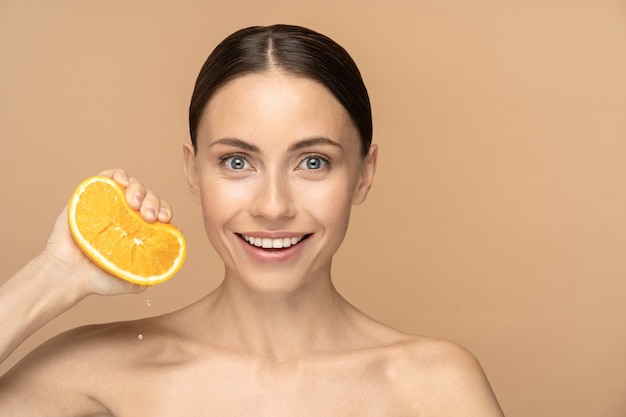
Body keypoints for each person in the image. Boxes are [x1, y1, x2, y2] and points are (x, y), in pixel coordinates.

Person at [0, 24, 504, 416]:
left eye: (313, 162)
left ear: (364, 173)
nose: (272, 206)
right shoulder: (103, 371)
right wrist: (55, 275)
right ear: (193, 172)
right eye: (237, 162)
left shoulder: (435, 385)